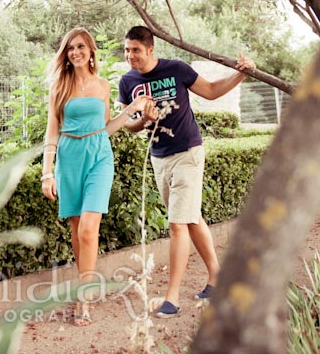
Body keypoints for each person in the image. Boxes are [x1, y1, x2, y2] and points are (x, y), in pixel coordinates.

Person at [117, 25, 255, 318]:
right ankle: (218, 278)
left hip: (188, 152)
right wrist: (143, 121)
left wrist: (242, 73)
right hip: (159, 158)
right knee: (191, 218)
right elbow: (128, 124)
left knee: (177, 223)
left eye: (136, 50)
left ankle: (172, 297)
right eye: (127, 50)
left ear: (150, 49)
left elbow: (212, 91)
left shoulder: (176, 69)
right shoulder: (127, 82)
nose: (130, 56)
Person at [40, 27, 151, 326]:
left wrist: (133, 109)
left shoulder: (103, 86)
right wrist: (46, 173)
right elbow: (51, 132)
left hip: (99, 157)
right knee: (78, 232)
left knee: (89, 230)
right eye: (70, 48)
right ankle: (84, 283)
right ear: (66, 54)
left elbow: (106, 127)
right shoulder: (58, 87)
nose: (75, 52)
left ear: (90, 51)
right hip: (69, 159)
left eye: (80, 47)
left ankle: (83, 297)